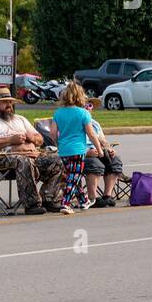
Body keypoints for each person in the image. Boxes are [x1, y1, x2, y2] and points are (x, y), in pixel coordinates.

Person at [0, 88, 64, 214]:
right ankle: (31, 204)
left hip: (30, 156)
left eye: (10, 102)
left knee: (58, 160)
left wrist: (32, 138)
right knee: (24, 161)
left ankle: (49, 198)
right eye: (5, 102)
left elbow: (40, 139)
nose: (9, 105)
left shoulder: (19, 119)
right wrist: (10, 140)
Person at [52, 82, 106, 214]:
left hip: (64, 150)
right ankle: (66, 203)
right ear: (80, 96)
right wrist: (99, 150)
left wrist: (58, 144)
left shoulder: (58, 113)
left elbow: (52, 133)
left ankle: (83, 200)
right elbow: (91, 134)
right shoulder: (83, 113)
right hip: (78, 150)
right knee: (74, 177)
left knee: (73, 176)